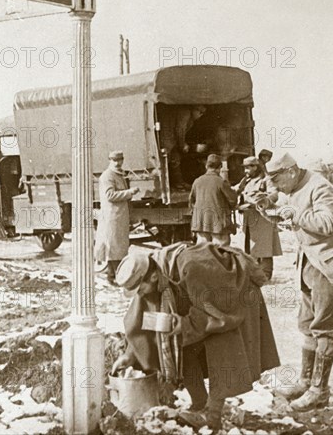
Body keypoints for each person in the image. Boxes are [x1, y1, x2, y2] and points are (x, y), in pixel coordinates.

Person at [112, 243, 280, 431]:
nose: (141, 295)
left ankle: (212, 415)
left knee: (220, 343)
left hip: (233, 299)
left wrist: (181, 324)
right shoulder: (153, 270)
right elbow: (144, 317)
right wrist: (130, 354)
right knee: (181, 342)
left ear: (152, 277)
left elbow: (217, 314)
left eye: (140, 289)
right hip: (207, 301)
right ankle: (199, 403)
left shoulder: (191, 267)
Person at [266, 152, 333, 411]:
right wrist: (270, 211)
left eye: (277, 180)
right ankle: (306, 381)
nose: (276, 187)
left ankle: (320, 390)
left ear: (291, 172)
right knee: (307, 325)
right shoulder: (296, 186)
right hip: (308, 264)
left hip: (328, 266)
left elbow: (327, 224)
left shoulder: (319, 186)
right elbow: (290, 214)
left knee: (325, 327)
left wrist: (292, 214)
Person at [94, 151, 139, 285]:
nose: (118, 163)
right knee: (113, 248)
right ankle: (113, 277)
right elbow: (110, 195)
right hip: (111, 217)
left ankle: (114, 276)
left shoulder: (118, 174)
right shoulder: (107, 176)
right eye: (115, 160)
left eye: (120, 160)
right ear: (110, 160)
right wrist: (129, 193)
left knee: (118, 247)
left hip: (118, 216)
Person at [233, 156, 282, 280]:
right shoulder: (246, 180)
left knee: (265, 248)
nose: (245, 171)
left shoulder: (266, 180)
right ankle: (253, 274)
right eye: (244, 168)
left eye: (248, 168)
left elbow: (274, 194)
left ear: (255, 167)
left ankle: (265, 275)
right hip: (249, 218)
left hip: (262, 219)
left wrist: (262, 200)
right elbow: (234, 189)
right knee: (250, 247)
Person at [189, 154, 237, 246]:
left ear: (206, 166)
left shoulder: (197, 181)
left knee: (202, 252)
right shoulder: (221, 181)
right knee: (220, 252)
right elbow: (232, 200)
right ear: (219, 167)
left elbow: (191, 201)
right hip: (218, 224)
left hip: (200, 223)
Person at [160, 105, 207, 191]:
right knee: (166, 160)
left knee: (175, 159)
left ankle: (179, 183)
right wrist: (182, 145)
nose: (200, 115)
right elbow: (180, 130)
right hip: (167, 139)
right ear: (194, 109)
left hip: (171, 139)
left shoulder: (189, 118)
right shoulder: (185, 113)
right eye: (200, 112)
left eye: (202, 113)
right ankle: (166, 187)